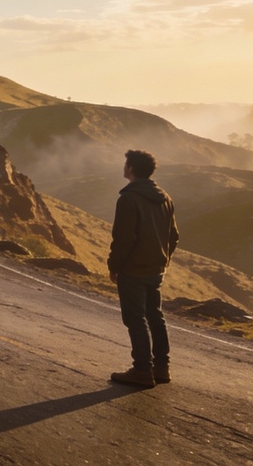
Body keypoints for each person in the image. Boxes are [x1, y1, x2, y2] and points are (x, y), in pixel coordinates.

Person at [107, 149, 179, 388]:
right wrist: (162, 259)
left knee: (135, 319)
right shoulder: (165, 198)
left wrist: (114, 266)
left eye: (125, 163)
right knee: (155, 316)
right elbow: (173, 236)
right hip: (156, 269)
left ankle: (141, 370)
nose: (123, 167)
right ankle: (161, 368)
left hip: (133, 269)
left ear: (131, 169)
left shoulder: (129, 199)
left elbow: (124, 239)